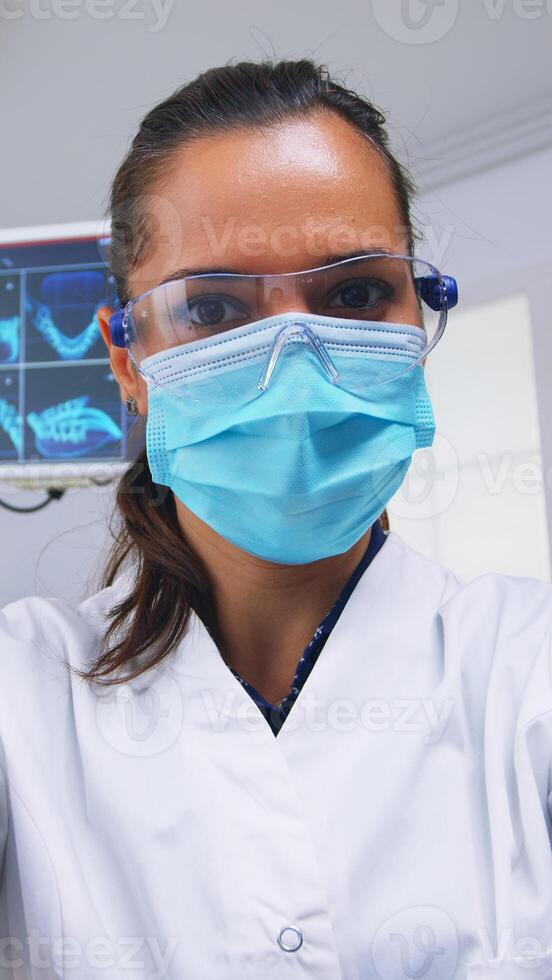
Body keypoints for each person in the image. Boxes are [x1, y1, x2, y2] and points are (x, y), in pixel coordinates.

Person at [1, 58, 552, 980]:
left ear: (420, 319)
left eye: (356, 293)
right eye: (212, 307)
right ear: (127, 361)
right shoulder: (21, 694)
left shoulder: (527, 667)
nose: (295, 363)